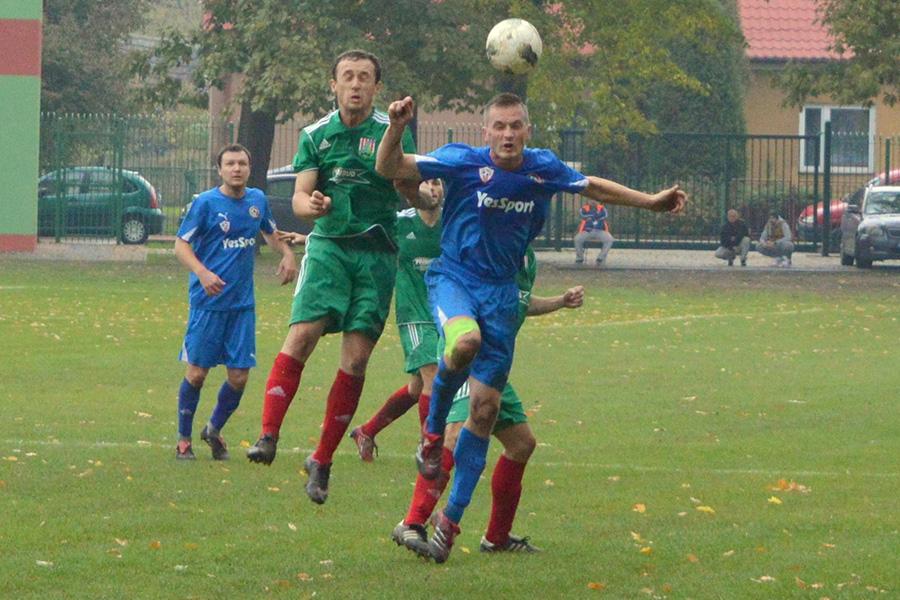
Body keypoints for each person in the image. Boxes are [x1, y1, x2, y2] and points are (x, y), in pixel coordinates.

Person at [376, 92, 686, 562]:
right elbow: (390, 168)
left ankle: (451, 525)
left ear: (527, 130)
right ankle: (432, 435)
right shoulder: (462, 161)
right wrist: (396, 125)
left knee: (484, 414)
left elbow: (595, 186)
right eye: (498, 126)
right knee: (466, 343)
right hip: (456, 279)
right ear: (486, 132)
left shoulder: (543, 168)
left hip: (502, 296)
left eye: (515, 125)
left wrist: (651, 203)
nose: (506, 134)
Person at [245, 50, 435, 505]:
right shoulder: (316, 135)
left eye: (364, 78)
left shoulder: (386, 135)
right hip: (329, 248)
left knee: (355, 362)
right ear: (333, 85)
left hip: (376, 256)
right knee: (303, 335)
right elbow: (299, 195)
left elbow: (410, 188)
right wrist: (310, 205)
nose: (355, 84)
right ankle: (268, 434)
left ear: (375, 88)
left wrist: (424, 191)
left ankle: (323, 460)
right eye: (347, 77)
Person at [391, 248, 584, 560]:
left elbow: (522, 301)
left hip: (493, 368)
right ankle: (412, 521)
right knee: (453, 434)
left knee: (522, 444)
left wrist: (559, 302)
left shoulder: (526, 259)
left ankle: (496, 538)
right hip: (467, 358)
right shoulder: (486, 248)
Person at [173, 143, 298, 460]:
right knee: (198, 372)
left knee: (239, 376)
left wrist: (286, 254)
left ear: (249, 167)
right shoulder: (205, 204)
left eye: (242, 163)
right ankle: (184, 440)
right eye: (230, 163)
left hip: (242, 306)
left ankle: (213, 429)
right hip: (208, 303)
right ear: (220, 169)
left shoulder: (257, 200)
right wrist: (202, 273)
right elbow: (180, 246)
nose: (236, 169)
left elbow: (271, 234)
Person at [348, 179, 444, 461]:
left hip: (445, 316)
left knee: (418, 388)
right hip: (413, 315)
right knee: (434, 378)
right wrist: (309, 238)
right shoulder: (400, 223)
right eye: (425, 183)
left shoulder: (451, 225)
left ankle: (367, 431)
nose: (432, 189)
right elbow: (360, 237)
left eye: (437, 183)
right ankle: (428, 447)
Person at [574, 198, 614, 265]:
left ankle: (600, 258)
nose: (593, 201)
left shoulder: (602, 208)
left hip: (600, 230)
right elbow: (583, 215)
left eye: (595, 200)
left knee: (609, 239)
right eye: (591, 200)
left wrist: (591, 217)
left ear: (599, 201)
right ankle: (579, 258)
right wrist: (595, 216)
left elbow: (605, 215)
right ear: (587, 201)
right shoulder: (583, 208)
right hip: (587, 230)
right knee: (577, 239)